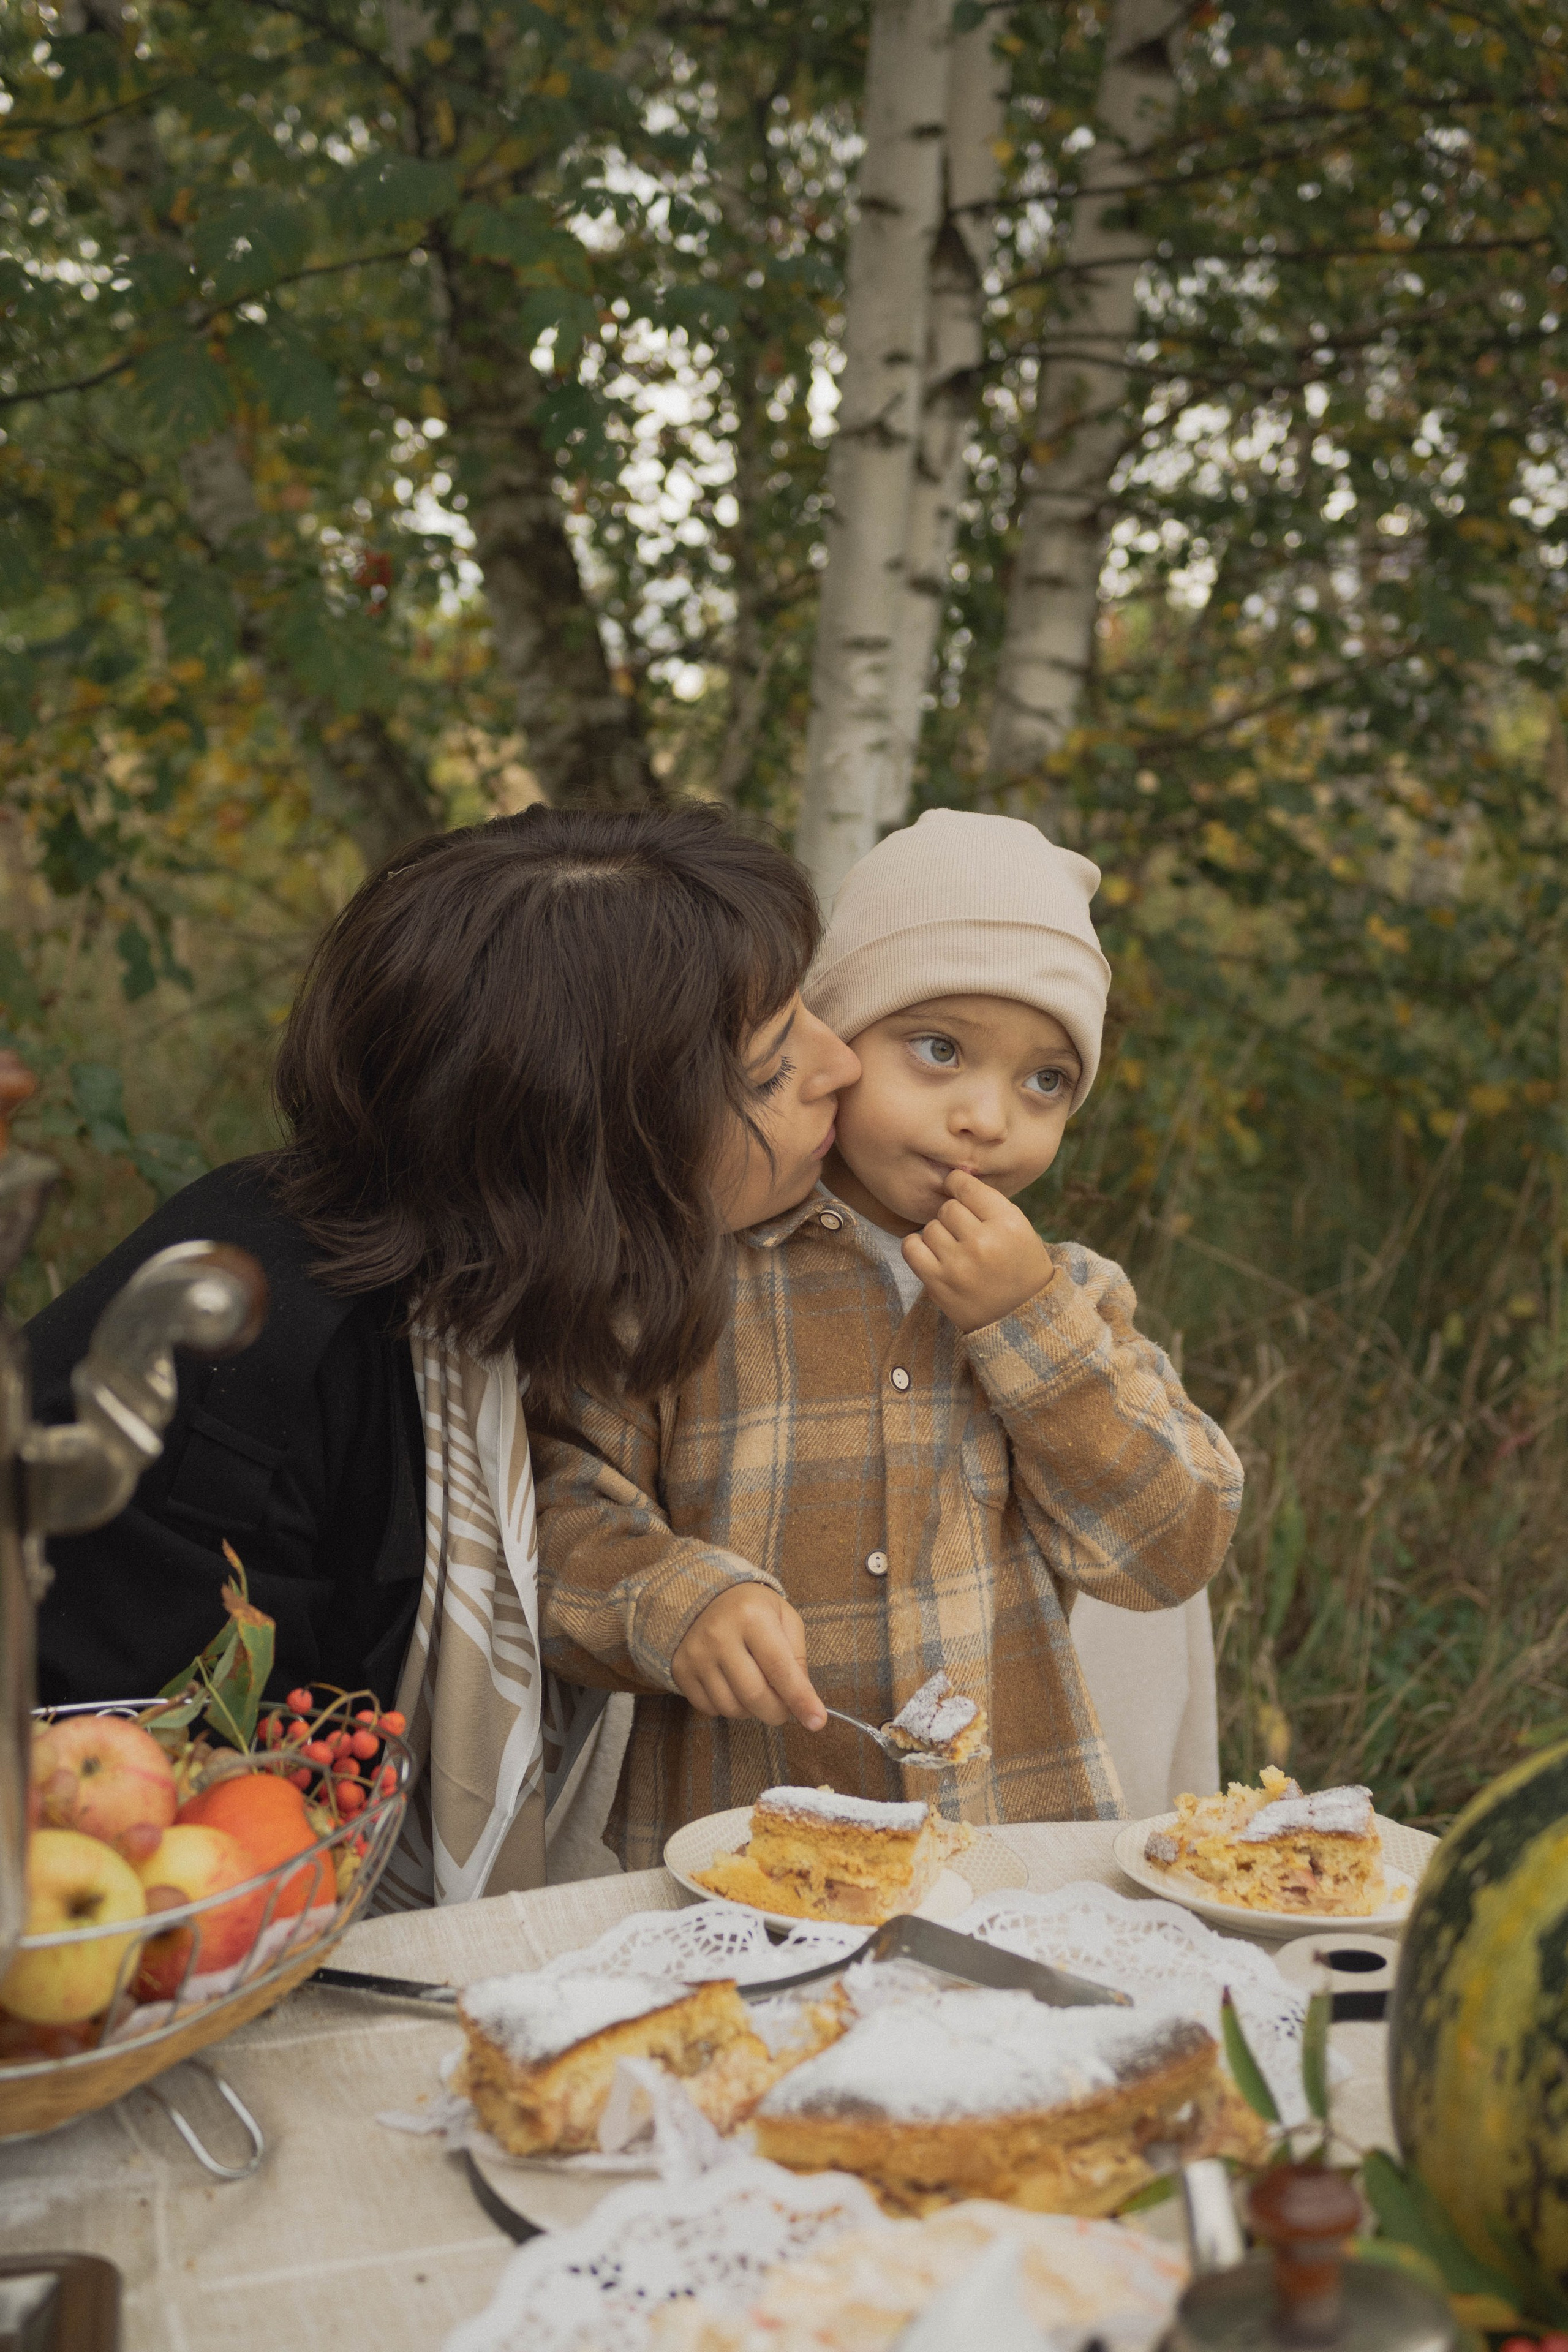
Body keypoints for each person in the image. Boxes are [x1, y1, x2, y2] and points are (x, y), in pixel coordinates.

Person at [28, 802, 849, 1902]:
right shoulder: (257, 1358)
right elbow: (163, 1834)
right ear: (589, 1148)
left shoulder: (517, 1277)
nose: (843, 1063)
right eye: (769, 1067)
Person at [535, 809, 1244, 1867]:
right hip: (742, 1844)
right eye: (940, 1049)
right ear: (832, 1038)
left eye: (1045, 1080)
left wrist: (1025, 1324)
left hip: (1001, 1843)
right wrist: (675, 1602)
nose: (987, 1118)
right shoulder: (690, 1277)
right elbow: (553, 1506)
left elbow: (1170, 1550)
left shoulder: (1072, 1303)